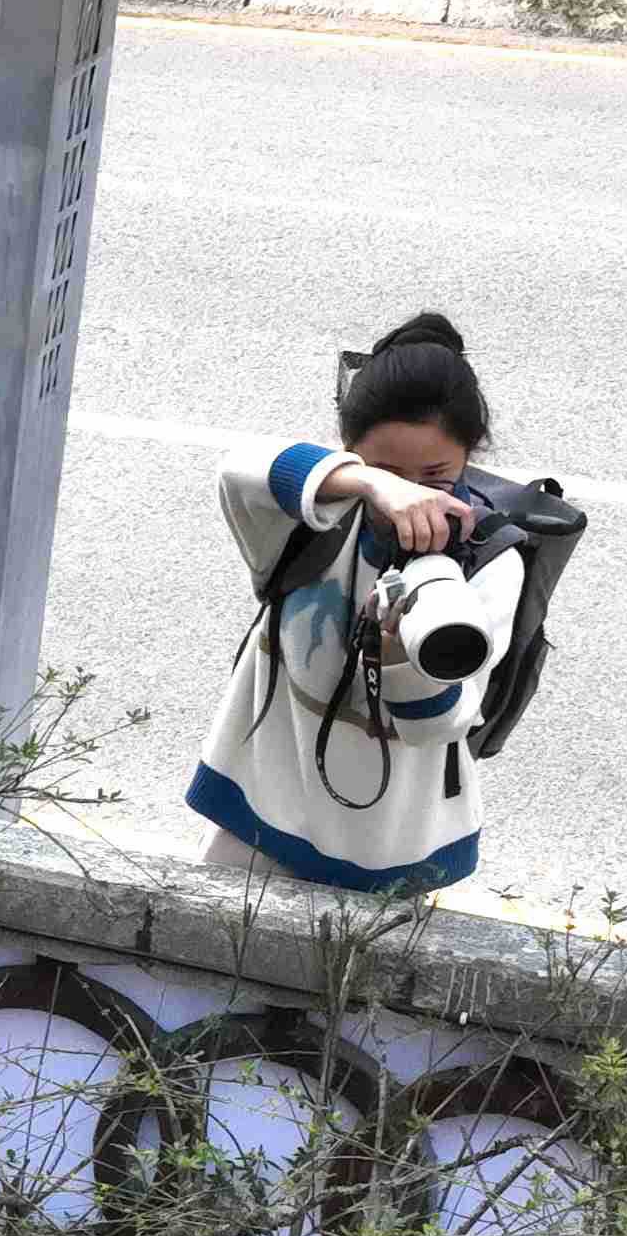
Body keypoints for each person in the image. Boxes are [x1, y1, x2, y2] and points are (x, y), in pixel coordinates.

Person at [184, 310, 508, 899]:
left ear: (471, 453)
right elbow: (238, 470)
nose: (411, 496)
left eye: (435, 475)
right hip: (263, 802)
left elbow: (443, 722)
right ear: (350, 453)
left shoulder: (489, 558)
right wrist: (369, 486)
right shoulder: (315, 517)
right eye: (388, 470)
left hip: (390, 837)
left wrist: (395, 657)